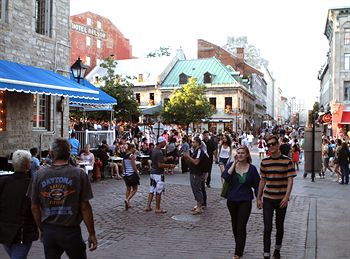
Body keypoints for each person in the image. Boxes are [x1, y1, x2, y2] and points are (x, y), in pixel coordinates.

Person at [28, 138, 97, 258]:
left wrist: (41, 228)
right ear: (69, 154)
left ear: (51, 154)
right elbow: (85, 207)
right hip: (71, 230)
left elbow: (34, 206)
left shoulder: (39, 175)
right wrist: (91, 233)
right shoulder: (79, 174)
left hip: (50, 229)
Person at [257, 135, 296, 259]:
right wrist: (258, 197)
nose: (271, 146)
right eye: (269, 145)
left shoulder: (287, 161)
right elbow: (262, 181)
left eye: (273, 144)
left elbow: (290, 180)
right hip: (268, 198)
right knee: (267, 226)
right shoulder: (265, 162)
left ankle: (277, 249)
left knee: (280, 226)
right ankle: (266, 252)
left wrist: (286, 196)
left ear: (278, 144)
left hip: (281, 199)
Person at [222, 146, 260, 259]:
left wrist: (259, 198)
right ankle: (239, 245)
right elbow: (225, 177)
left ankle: (238, 253)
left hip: (245, 201)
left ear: (247, 154)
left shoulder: (252, 169)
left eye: (243, 153)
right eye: (238, 153)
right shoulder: (231, 166)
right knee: (234, 225)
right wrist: (234, 164)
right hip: (232, 200)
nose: (240, 155)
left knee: (241, 226)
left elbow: (257, 185)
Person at [0, 150, 39, 259]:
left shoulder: (3, 181)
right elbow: (35, 208)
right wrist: (40, 227)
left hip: (4, 230)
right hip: (22, 231)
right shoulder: (31, 185)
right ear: (27, 165)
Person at [144, 136, 175, 214]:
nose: (165, 143)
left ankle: (148, 206)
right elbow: (160, 164)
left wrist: (167, 158)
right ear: (161, 142)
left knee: (151, 190)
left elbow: (159, 160)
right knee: (158, 191)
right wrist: (170, 165)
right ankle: (157, 208)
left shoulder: (154, 150)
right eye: (164, 142)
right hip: (158, 174)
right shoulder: (159, 152)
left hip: (153, 173)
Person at [183, 137, 207, 215]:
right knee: (195, 189)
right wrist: (186, 158)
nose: (192, 143)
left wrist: (188, 157)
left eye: (194, 142)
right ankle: (198, 205)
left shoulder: (199, 151)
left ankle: (200, 207)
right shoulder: (195, 151)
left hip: (196, 173)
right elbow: (191, 163)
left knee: (197, 189)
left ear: (198, 143)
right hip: (193, 172)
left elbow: (196, 162)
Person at [122, 143, 140, 210]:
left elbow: (123, 167)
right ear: (131, 148)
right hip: (132, 174)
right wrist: (137, 173)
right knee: (135, 189)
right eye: (134, 148)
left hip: (126, 175)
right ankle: (127, 199)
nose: (135, 149)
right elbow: (134, 166)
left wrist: (124, 174)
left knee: (128, 189)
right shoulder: (131, 156)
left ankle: (128, 203)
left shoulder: (124, 156)